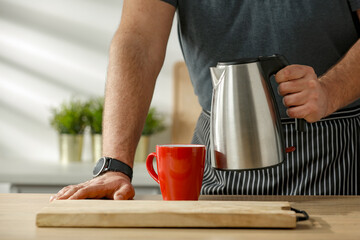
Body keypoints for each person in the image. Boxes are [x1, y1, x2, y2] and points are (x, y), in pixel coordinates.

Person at [51, 0, 360, 201]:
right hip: (218, 152)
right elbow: (138, 40)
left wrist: (330, 90)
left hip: (334, 154)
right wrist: (114, 166)